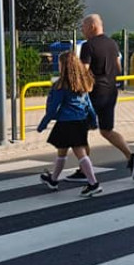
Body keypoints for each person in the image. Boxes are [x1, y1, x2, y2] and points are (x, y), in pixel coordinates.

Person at [64, 13, 134, 182]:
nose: (82, 30)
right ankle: (131, 156)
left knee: (78, 130)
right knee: (106, 130)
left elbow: (84, 71)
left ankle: (84, 171)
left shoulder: (88, 46)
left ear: (92, 26)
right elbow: (119, 67)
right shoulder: (113, 44)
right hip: (111, 92)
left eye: (83, 26)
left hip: (93, 93)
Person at [37, 51, 102, 197]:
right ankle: (53, 180)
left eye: (59, 63)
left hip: (66, 122)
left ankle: (93, 183)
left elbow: (53, 108)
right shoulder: (82, 83)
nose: (58, 66)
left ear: (64, 66)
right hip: (80, 121)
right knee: (62, 151)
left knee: (79, 153)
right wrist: (93, 119)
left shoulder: (60, 85)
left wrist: (43, 124)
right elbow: (88, 104)